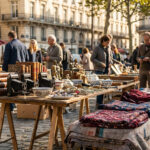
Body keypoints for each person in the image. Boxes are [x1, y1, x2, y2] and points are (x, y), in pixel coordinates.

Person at [91, 35, 112, 107]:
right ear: (103, 41)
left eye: (109, 42)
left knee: (105, 87)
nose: (108, 44)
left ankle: (102, 102)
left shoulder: (108, 48)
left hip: (107, 70)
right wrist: (100, 63)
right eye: (107, 42)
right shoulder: (97, 48)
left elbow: (110, 58)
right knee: (99, 87)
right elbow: (92, 58)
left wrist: (112, 63)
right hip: (99, 70)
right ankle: (99, 103)